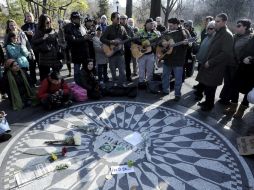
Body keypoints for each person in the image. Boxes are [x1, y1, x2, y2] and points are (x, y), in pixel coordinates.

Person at [196, 13, 234, 111]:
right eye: (215, 21)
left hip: (216, 66)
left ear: (224, 22)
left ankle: (209, 105)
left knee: (211, 86)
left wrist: (211, 62)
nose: (215, 23)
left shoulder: (227, 35)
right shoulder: (218, 32)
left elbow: (225, 53)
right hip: (209, 63)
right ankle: (207, 102)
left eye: (218, 21)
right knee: (207, 86)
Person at [224, 20, 254, 119]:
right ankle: (233, 107)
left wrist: (251, 60)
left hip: (252, 71)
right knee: (234, 87)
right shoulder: (251, 38)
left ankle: (241, 110)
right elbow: (243, 51)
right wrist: (242, 59)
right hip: (242, 67)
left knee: (248, 91)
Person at [160, 18, 190, 101]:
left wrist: (186, 43)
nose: (170, 27)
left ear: (177, 24)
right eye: (169, 25)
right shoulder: (167, 32)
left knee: (178, 78)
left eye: (171, 26)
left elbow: (190, 45)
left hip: (178, 59)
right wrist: (163, 42)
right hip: (167, 58)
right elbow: (160, 40)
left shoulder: (184, 32)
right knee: (165, 76)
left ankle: (177, 94)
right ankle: (165, 90)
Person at [100, 12, 128, 87]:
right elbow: (102, 38)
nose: (119, 20)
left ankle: (122, 83)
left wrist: (131, 38)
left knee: (122, 70)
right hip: (111, 53)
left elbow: (126, 38)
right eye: (117, 18)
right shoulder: (108, 28)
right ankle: (114, 83)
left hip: (120, 53)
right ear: (112, 19)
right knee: (113, 71)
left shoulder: (122, 28)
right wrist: (110, 42)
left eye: (120, 18)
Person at [32, 14, 62, 81]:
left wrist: (58, 52)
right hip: (44, 57)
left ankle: (56, 88)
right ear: (42, 23)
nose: (49, 23)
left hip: (54, 56)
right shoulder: (39, 31)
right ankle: (45, 90)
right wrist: (43, 38)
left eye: (50, 22)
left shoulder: (53, 30)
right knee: (45, 77)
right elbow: (33, 42)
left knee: (57, 76)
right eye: (47, 22)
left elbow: (56, 43)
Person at [64, 12, 90, 82]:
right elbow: (73, 40)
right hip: (76, 53)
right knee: (77, 72)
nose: (80, 20)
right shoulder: (68, 27)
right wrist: (84, 38)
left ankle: (85, 84)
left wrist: (89, 36)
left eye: (79, 18)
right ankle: (77, 86)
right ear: (73, 19)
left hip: (84, 53)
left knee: (86, 71)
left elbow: (85, 36)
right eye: (78, 18)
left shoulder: (82, 26)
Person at [194, 21, 216, 101]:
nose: (208, 30)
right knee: (200, 78)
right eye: (208, 28)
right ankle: (199, 91)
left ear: (215, 29)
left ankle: (199, 94)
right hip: (201, 61)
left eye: (211, 28)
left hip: (207, 62)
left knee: (203, 79)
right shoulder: (207, 36)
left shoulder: (215, 39)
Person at [135, 18, 160, 85]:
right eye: (150, 23)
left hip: (151, 54)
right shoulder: (140, 32)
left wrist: (156, 43)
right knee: (141, 71)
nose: (152, 25)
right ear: (146, 24)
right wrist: (142, 43)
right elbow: (134, 41)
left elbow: (159, 43)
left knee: (150, 71)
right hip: (141, 54)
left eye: (153, 23)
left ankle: (149, 84)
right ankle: (141, 83)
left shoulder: (156, 34)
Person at [21, 12, 38, 85]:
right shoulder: (23, 27)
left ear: (33, 17)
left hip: (39, 48)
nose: (29, 18)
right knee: (32, 66)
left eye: (30, 16)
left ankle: (44, 80)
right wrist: (26, 32)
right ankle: (33, 81)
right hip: (29, 49)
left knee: (41, 65)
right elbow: (20, 34)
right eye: (27, 16)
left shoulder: (37, 25)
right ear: (25, 18)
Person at [120, 14, 135, 82]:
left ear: (126, 19)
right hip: (118, 48)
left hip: (127, 48)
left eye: (124, 18)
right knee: (120, 63)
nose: (123, 20)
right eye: (122, 18)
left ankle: (128, 76)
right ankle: (121, 77)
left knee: (127, 63)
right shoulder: (117, 26)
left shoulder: (130, 28)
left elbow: (133, 37)